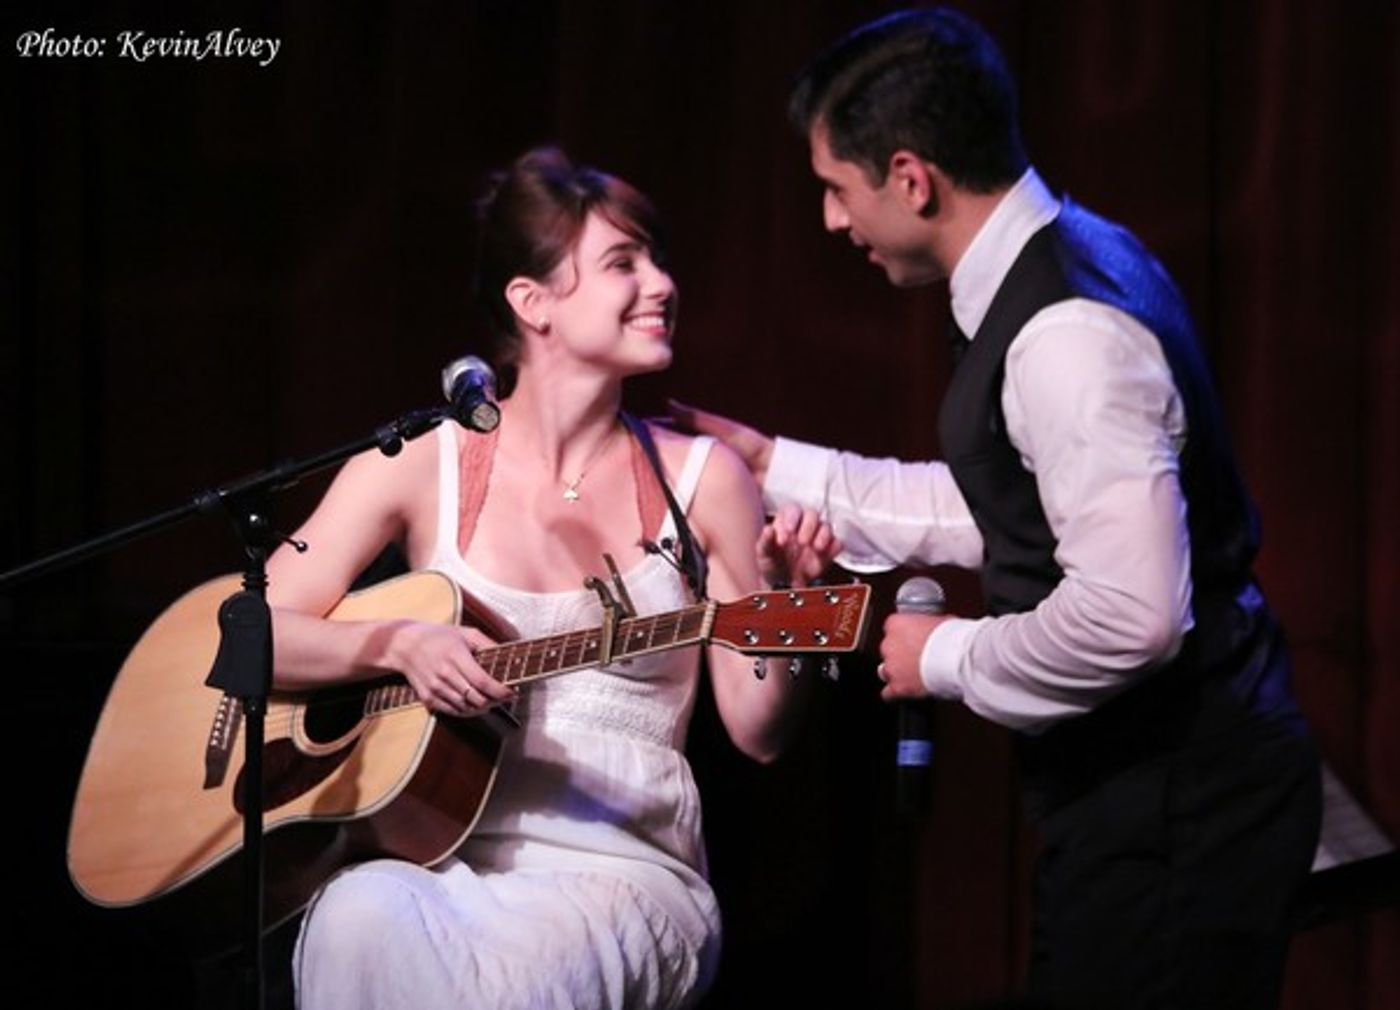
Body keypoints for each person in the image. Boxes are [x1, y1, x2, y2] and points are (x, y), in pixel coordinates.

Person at [674, 9, 1321, 1010]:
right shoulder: (1055, 267)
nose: (831, 222)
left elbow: (1130, 614)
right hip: (1144, 794)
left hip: (1177, 800)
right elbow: (1014, 509)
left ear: (908, 176)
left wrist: (941, 655)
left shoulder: (1064, 333)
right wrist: (775, 463)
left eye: (835, 190)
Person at [265, 147, 837, 1010]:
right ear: (530, 303)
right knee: (353, 915)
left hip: (624, 878)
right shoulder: (424, 462)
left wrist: (781, 605)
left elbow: (759, 730)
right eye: (622, 263)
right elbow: (255, 629)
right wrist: (395, 643)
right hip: (440, 859)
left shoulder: (705, 479)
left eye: (655, 258)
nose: (661, 283)